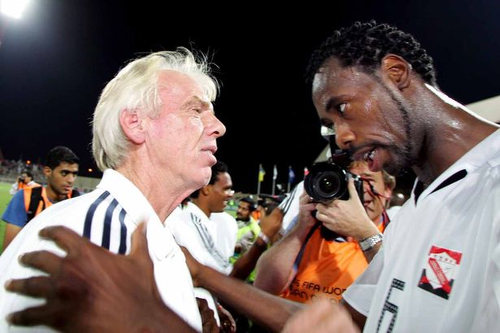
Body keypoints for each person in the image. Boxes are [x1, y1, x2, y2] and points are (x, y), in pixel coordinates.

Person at [6, 20, 500, 332]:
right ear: (134, 124)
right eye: (196, 109)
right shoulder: (97, 234)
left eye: (341, 108)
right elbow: (346, 322)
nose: (341, 137)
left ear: (396, 73)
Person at [0, 48, 226, 332]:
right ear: (135, 123)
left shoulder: (144, 236)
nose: (219, 127)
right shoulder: (95, 240)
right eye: (195, 110)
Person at [254, 160, 395, 303]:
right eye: (348, 181)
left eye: (366, 180)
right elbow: (264, 288)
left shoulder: (395, 236)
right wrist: (301, 228)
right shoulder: (312, 228)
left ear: (387, 189)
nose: (355, 189)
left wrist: (363, 232)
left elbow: (396, 289)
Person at [2, 146, 80, 251]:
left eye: (74, 174)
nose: (70, 180)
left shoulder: (77, 201)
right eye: (64, 173)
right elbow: (9, 249)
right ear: (47, 171)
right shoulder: (25, 197)